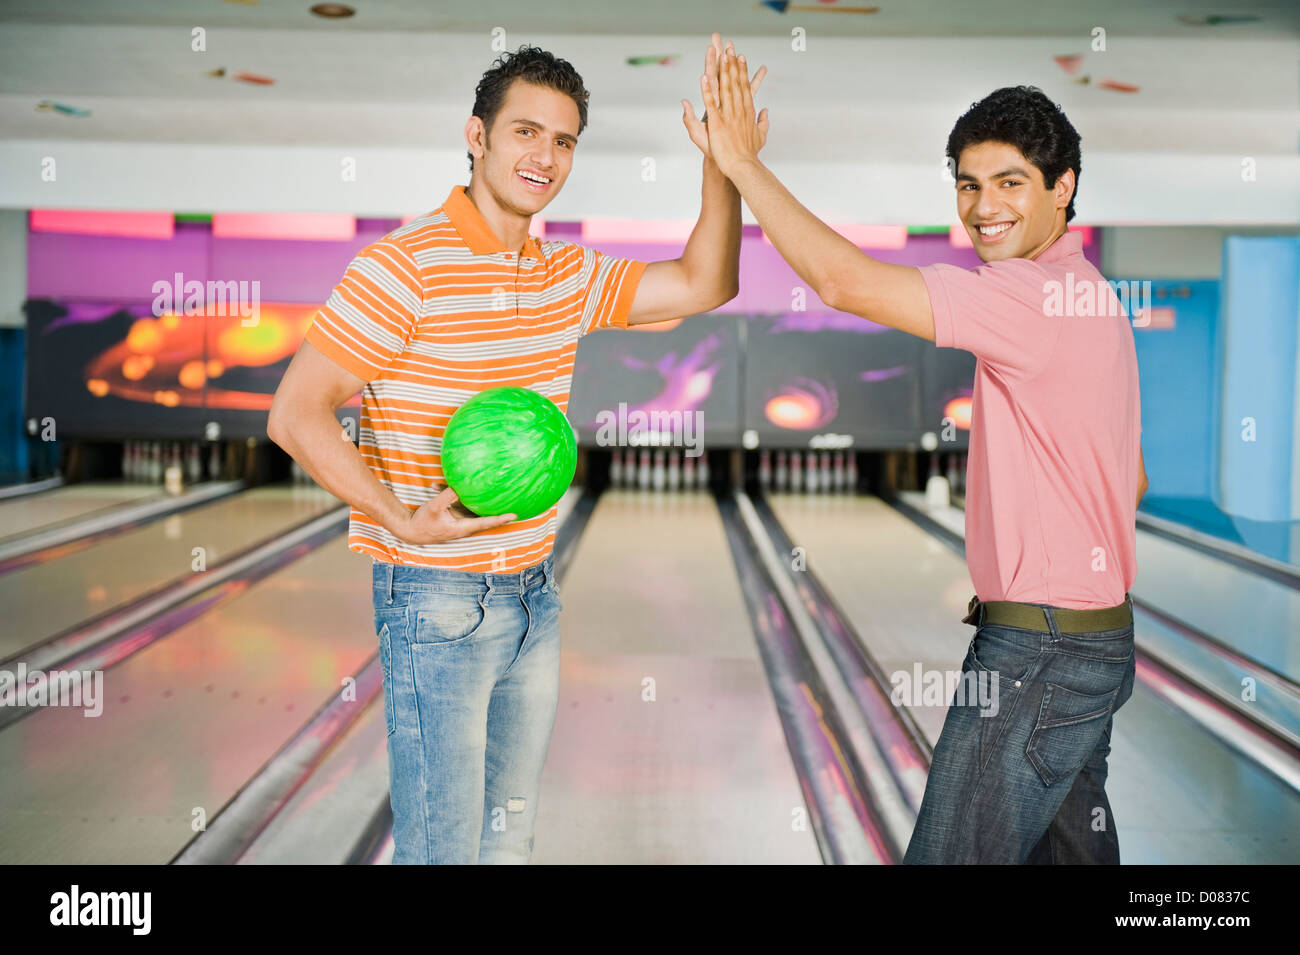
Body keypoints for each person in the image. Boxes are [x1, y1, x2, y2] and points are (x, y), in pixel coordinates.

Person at [267, 39, 766, 864]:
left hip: (534, 591)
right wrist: (397, 516)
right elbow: (296, 412)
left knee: (508, 847)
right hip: (433, 598)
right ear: (477, 135)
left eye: (564, 140)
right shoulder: (403, 269)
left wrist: (723, 164)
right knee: (444, 852)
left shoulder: (563, 272)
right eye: (526, 132)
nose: (546, 155)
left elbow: (706, 281)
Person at [698, 53, 1146, 863]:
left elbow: (842, 282)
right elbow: (1132, 477)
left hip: (1039, 653)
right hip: (1097, 642)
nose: (984, 207)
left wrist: (740, 165)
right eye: (969, 185)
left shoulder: (1028, 296)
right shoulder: (1094, 297)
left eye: (1011, 182)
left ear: (1063, 186)